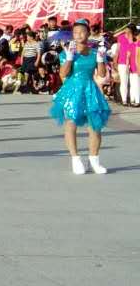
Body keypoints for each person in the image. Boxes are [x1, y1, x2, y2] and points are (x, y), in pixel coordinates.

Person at [51, 19, 110, 174]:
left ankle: (94, 160)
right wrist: (69, 58)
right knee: (71, 123)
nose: (78, 35)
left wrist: (100, 60)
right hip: (73, 89)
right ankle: (75, 159)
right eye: (75, 32)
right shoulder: (67, 52)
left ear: (88, 34)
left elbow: (102, 74)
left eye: (82, 32)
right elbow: (63, 74)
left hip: (90, 89)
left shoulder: (95, 53)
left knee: (95, 126)